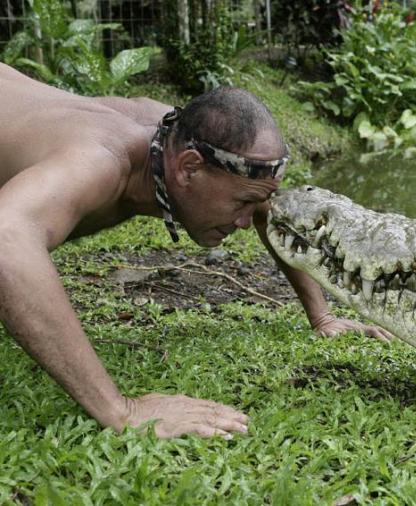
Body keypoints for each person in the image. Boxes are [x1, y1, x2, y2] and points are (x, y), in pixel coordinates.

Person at [0, 63, 392, 439]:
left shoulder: (181, 137)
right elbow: (8, 239)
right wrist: (121, 411)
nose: (244, 222)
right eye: (240, 203)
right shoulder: (99, 161)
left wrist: (321, 316)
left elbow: (262, 207)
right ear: (188, 169)